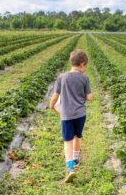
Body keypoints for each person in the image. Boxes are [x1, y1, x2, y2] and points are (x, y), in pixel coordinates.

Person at [49, 49, 93, 183]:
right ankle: (76, 158)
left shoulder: (62, 77)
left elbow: (55, 96)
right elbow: (89, 97)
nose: (85, 68)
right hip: (80, 114)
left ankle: (70, 168)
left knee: (67, 140)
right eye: (85, 66)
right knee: (77, 136)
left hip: (66, 115)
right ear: (82, 64)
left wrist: (51, 106)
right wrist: (88, 95)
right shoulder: (84, 78)